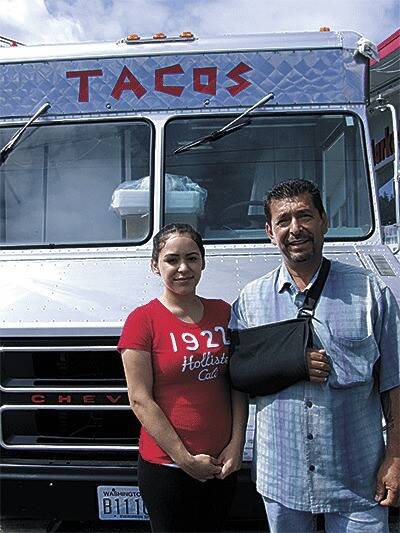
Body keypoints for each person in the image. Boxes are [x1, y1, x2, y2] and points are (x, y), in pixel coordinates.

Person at [230, 179, 400, 532]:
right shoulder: (250, 300)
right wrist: (292, 363)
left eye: (305, 216)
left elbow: (395, 383)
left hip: (358, 476)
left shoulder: (371, 292)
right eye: (283, 220)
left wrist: (395, 458)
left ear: (324, 221)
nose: (295, 229)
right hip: (282, 478)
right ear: (269, 231)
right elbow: (240, 374)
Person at [118, 223, 248, 532]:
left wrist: (236, 445)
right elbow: (139, 399)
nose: (183, 268)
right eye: (172, 259)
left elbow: (237, 383)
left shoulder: (224, 313)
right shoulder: (142, 320)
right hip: (167, 467)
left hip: (222, 465)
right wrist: (185, 459)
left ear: (203, 262)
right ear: (155, 265)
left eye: (192, 258)